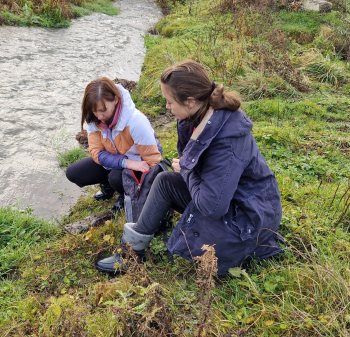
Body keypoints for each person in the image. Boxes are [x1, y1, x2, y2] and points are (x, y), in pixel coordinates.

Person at [96, 60, 283, 275]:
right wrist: (188, 170)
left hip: (248, 216)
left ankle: (131, 253)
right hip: (232, 198)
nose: (167, 107)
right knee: (165, 180)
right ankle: (132, 251)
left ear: (191, 101)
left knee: (169, 180)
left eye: (169, 101)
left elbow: (212, 207)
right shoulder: (201, 116)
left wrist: (186, 170)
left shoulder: (226, 140)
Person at [66, 77, 162, 212]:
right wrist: (126, 163)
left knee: (116, 177)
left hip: (140, 161)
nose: (99, 117)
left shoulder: (136, 122)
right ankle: (109, 186)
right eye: (95, 111)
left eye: (103, 110)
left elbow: (154, 161)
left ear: (116, 99)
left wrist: (153, 191)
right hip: (122, 160)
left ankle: (126, 195)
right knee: (73, 173)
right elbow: (96, 153)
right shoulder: (94, 119)